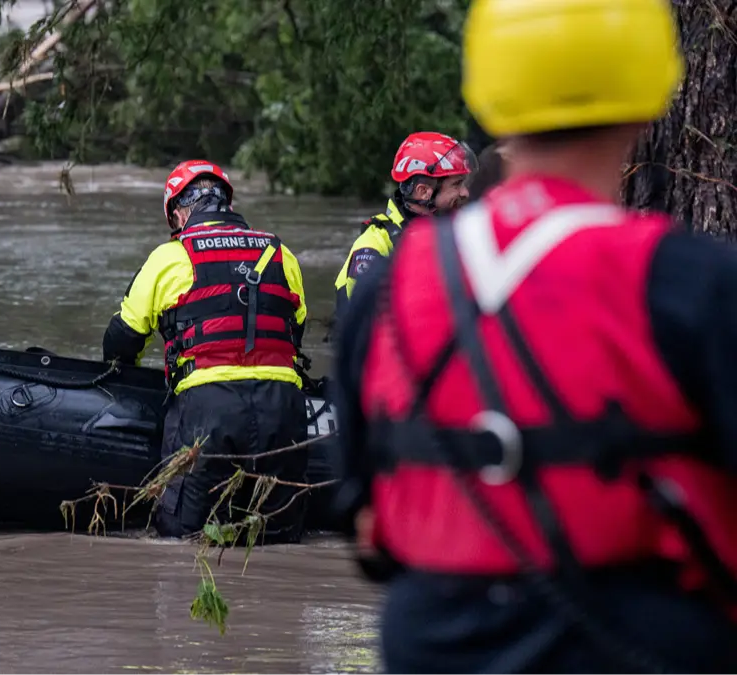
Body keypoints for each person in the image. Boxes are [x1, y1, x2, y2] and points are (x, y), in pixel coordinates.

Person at [330, 0, 737, 672]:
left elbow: (367, 526)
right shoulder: (694, 283)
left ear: (492, 103)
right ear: (650, 102)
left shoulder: (385, 292)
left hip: (434, 644)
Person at [102, 160, 310, 544]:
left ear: (178, 214)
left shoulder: (170, 257)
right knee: (278, 538)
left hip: (208, 411)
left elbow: (122, 339)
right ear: (227, 203)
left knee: (183, 538)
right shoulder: (281, 253)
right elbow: (295, 329)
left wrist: (126, 390)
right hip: (283, 408)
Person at [332, 131, 476, 321]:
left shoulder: (453, 233)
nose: (465, 192)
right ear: (423, 191)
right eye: (457, 184)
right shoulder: (375, 246)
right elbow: (364, 326)